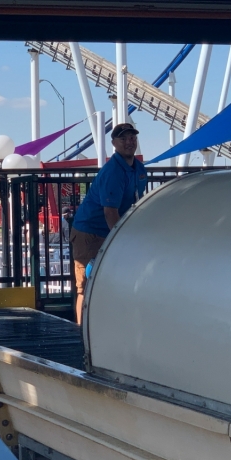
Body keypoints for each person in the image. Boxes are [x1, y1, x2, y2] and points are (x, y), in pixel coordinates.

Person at [69, 123, 147, 324]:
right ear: (114, 143)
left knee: (111, 283)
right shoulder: (113, 172)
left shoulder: (139, 169)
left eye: (132, 138)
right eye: (124, 139)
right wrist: (121, 240)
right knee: (86, 286)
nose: (129, 142)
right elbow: (110, 212)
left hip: (112, 232)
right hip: (90, 232)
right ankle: (82, 332)